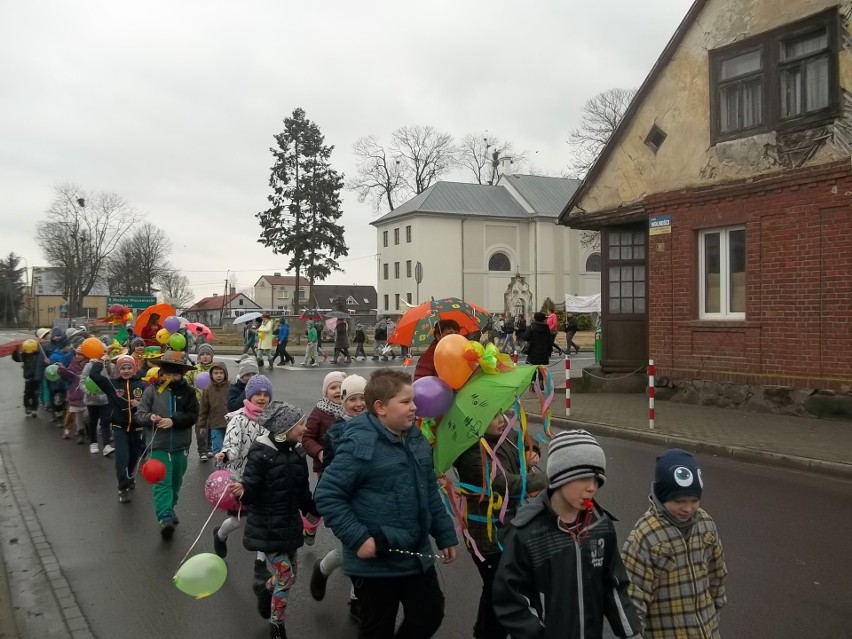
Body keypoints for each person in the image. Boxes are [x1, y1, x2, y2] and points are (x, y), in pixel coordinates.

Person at [315, 369, 459, 639]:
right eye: (405, 402)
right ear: (380, 408)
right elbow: (327, 494)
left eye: (413, 400)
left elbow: (428, 489)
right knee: (376, 628)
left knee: (429, 614)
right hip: (377, 561)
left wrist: (444, 534)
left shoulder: (415, 439)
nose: (414, 407)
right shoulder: (359, 443)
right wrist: (359, 539)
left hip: (416, 554)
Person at [493, 430, 640, 639]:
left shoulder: (600, 527)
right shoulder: (527, 531)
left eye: (597, 479)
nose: (592, 487)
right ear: (560, 477)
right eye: (583, 478)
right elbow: (510, 597)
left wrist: (630, 632)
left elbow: (614, 586)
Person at [228, 401, 319, 639]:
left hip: (289, 525)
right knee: (286, 575)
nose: (304, 428)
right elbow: (252, 488)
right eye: (300, 424)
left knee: (290, 577)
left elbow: (302, 491)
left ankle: (265, 589)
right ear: (284, 427)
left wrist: (315, 509)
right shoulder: (261, 452)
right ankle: (277, 625)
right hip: (267, 526)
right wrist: (242, 490)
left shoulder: (297, 452)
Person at [453, 410, 546, 639]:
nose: (502, 420)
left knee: (498, 589)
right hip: (487, 533)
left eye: (501, 414)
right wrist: (546, 478)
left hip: (510, 525)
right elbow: (500, 483)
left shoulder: (503, 432)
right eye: (493, 416)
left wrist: (531, 451)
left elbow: (524, 440)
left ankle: (485, 632)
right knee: (499, 587)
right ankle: (490, 633)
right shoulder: (470, 450)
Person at [621, 449, 728, 638]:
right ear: (662, 496)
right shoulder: (646, 535)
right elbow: (632, 596)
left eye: (694, 501)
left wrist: (715, 610)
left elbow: (717, 574)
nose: (688, 508)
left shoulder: (706, 524)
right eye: (679, 501)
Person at [310, 374, 367, 620]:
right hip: (347, 499)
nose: (358, 404)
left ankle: (357, 599)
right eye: (352, 399)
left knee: (365, 553)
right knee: (349, 552)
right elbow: (331, 471)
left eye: (363, 398)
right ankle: (322, 569)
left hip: (369, 497)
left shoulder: (377, 424)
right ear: (343, 402)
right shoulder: (336, 432)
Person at [213, 374, 275, 582]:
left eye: (266, 394)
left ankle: (260, 564)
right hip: (242, 477)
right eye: (257, 393)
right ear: (249, 395)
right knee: (237, 521)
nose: (262, 398)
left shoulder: (272, 417)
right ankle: (220, 534)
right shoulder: (237, 419)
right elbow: (232, 443)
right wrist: (226, 454)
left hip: (266, 477)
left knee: (264, 520)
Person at [136, 350, 199, 539]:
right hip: (158, 445)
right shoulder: (151, 391)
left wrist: (173, 420)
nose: (171, 378)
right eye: (168, 374)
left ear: (181, 374)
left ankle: (169, 509)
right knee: (162, 482)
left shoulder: (188, 392)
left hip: (181, 445)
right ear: (161, 373)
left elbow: (193, 415)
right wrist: (151, 417)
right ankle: (164, 518)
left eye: (175, 374)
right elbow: (140, 414)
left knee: (175, 482)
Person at [88, 355, 146, 504]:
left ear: (134, 369)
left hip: (137, 427)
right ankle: (122, 488)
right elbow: (93, 375)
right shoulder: (112, 385)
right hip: (119, 427)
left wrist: (139, 404)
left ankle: (130, 477)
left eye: (129, 368)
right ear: (118, 370)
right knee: (122, 458)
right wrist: (100, 362)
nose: (126, 371)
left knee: (134, 458)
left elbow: (150, 402)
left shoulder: (142, 385)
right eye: (123, 368)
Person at [301, 371, 347, 546]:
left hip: (348, 465)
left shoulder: (350, 409)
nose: (337, 391)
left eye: (341, 387)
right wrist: (320, 452)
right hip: (326, 467)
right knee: (323, 500)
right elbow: (307, 438)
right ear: (325, 392)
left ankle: (347, 541)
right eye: (332, 387)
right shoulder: (320, 412)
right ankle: (311, 526)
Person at [186, 343, 216, 461]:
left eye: (207, 354)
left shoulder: (216, 369)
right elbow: (185, 380)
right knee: (201, 427)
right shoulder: (194, 369)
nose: (205, 357)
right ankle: (202, 450)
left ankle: (209, 448)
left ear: (212, 356)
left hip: (213, 404)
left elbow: (223, 379)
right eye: (202, 354)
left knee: (211, 427)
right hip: (198, 404)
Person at [81, 355, 114, 456]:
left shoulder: (105, 365)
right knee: (93, 421)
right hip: (92, 400)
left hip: (104, 399)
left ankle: (106, 445)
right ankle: (93, 443)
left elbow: (109, 381)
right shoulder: (88, 366)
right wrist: (89, 392)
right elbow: (82, 382)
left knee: (105, 421)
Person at [197, 360, 230, 455]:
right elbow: (204, 408)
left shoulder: (230, 387)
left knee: (229, 449)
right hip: (215, 424)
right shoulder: (208, 389)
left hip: (230, 424)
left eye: (221, 373)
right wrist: (202, 425)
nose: (219, 375)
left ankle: (229, 468)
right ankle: (219, 468)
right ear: (211, 375)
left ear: (225, 374)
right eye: (216, 373)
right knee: (217, 449)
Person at [56, 346, 87, 441]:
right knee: (75, 413)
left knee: (86, 415)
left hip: (87, 393)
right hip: (76, 393)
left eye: (80, 354)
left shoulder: (90, 365)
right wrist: (62, 369)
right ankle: (74, 430)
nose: (78, 356)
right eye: (77, 354)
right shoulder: (73, 365)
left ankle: (85, 431)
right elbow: (68, 375)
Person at [11, 336, 47, 418]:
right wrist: (16, 351)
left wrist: (47, 362)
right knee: (27, 393)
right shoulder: (25, 355)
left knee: (35, 394)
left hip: (37, 378)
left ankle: (34, 409)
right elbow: (17, 358)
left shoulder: (40, 354)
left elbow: (44, 364)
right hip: (28, 378)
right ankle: (27, 406)